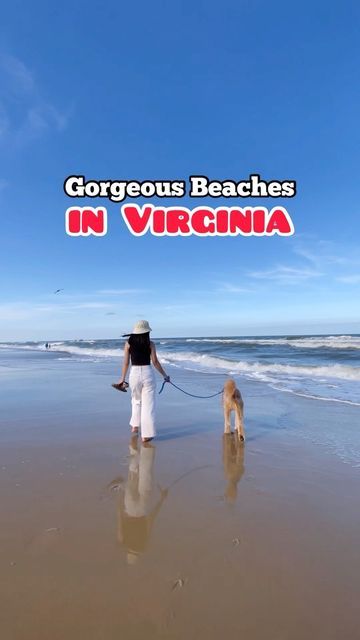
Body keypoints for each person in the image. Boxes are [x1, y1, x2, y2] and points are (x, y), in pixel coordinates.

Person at [117, 320, 170, 442]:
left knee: (136, 400)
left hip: (134, 373)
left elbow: (126, 362)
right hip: (148, 373)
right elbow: (155, 362)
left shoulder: (128, 343)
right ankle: (146, 435)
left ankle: (135, 426)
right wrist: (165, 376)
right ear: (147, 332)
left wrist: (122, 378)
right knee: (148, 404)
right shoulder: (150, 344)